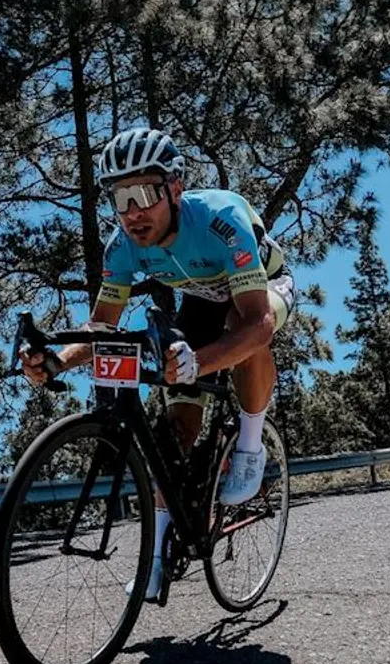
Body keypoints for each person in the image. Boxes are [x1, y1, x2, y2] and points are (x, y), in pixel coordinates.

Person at [20, 126, 296, 601]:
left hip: (260, 292)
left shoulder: (221, 219)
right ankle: (156, 557)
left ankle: (250, 445)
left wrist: (203, 360)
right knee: (173, 430)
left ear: (174, 188)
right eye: (120, 197)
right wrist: (58, 361)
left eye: (144, 193)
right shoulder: (122, 247)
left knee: (242, 331)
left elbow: (259, 323)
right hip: (201, 301)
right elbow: (101, 326)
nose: (132, 212)